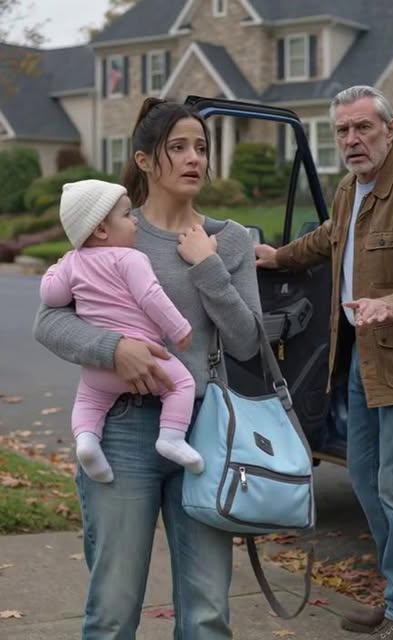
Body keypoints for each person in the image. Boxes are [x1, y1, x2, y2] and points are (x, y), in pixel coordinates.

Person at [33, 98, 261, 639]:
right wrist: (114, 349)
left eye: (201, 147)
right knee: (112, 610)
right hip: (122, 431)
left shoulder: (230, 239)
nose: (194, 158)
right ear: (143, 160)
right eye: (177, 148)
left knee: (207, 612)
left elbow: (247, 341)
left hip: (202, 431)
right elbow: (48, 321)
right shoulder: (110, 231)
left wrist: (208, 266)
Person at [255, 85, 393, 640]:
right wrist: (278, 257)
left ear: (389, 129)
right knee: (365, 478)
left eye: (363, 127)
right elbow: (332, 238)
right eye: (343, 131)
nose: (352, 139)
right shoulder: (351, 188)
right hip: (364, 356)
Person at [39, 179, 202, 483]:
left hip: (99, 369)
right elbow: (151, 297)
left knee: (88, 403)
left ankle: (87, 442)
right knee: (182, 385)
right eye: (127, 215)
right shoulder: (131, 258)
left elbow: (52, 296)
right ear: (102, 230)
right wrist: (179, 329)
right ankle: (171, 437)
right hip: (147, 360)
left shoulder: (72, 262)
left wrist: (55, 268)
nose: (135, 221)